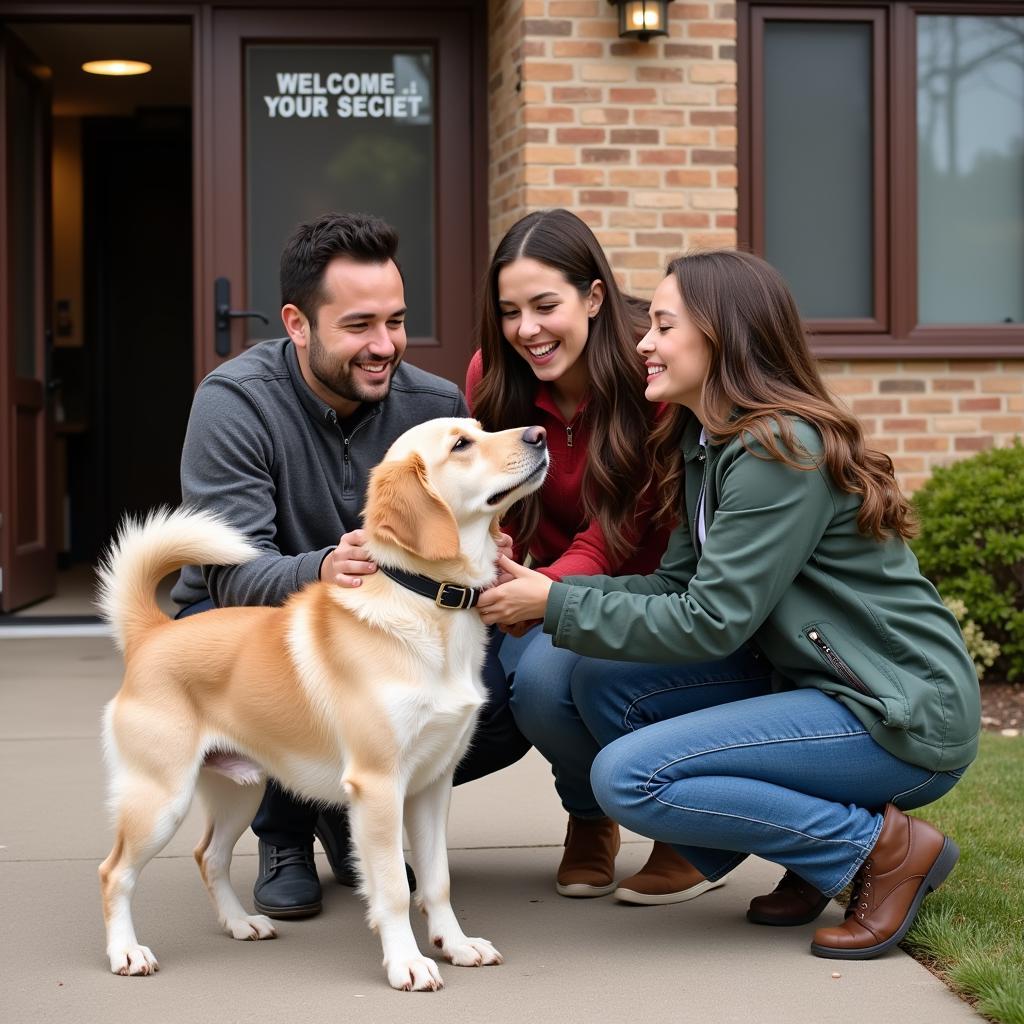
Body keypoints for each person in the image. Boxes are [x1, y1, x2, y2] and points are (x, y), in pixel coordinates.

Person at [477, 249, 980, 959]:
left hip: (896, 711)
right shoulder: (707, 442)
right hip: (818, 685)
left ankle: (879, 850)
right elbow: (677, 589)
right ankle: (810, 857)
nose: (643, 344)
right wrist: (551, 592)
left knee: (629, 777)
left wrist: (554, 607)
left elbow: (711, 620)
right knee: (597, 682)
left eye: (662, 325)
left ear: (723, 335)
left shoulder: (778, 450)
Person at [171, 211, 530, 920]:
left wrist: (486, 551)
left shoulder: (435, 408)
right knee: (286, 662)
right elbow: (230, 572)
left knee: (501, 692)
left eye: (395, 322)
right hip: (245, 623)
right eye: (359, 325)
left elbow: (467, 527)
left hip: (392, 624)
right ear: (298, 324)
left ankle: (354, 801)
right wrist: (329, 564)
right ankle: (286, 832)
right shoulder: (234, 403)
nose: (384, 345)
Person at [468, 209, 729, 906]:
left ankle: (677, 826)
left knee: (552, 675)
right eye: (510, 311)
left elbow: (617, 530)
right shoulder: (495, 376)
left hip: (646, 585)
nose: (527, 329)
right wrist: (496, 559)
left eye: (545, 305)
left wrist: (543, 594)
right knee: (531, 692)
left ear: (592, 297)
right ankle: (590, 817)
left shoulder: (650, 378)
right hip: (541, 581)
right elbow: (488, 493)